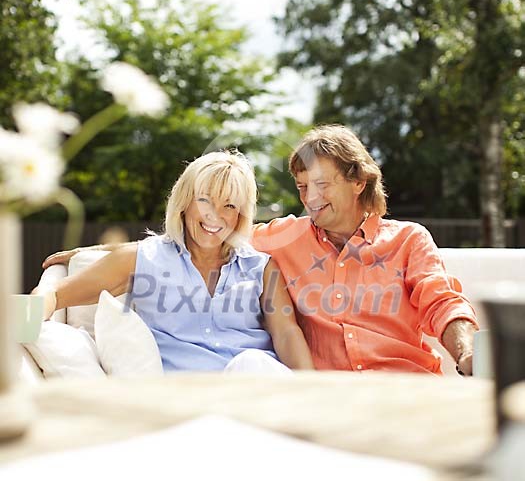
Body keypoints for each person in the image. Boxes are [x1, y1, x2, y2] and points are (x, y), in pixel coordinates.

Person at [43, 125, 478, 375]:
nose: (310, 199)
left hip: (398, 388)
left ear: (359, 182)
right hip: (277, 405)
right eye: (303, 188)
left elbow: (443, 302)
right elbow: (191, 235)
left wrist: (467, 353)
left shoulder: (406, 241)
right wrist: (92, 254)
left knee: (255, 364)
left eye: (322, 185)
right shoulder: (278, 239)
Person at [36, 151, 314, 373]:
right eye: (204, 201)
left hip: (255, 389)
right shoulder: (142, 259)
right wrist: (27, 316)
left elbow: (286, 333)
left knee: (252, 363)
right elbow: (56, 294)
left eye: (229, 206)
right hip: (184, 401)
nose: (214, 216)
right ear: (185, 202)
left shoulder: (261, 268)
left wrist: (312, 392)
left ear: (240, 214)